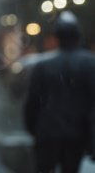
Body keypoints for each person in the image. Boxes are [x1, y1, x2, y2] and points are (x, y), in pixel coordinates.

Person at [23, 11, 95, 173]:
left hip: (47, 133)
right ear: (77, 36)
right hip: (76, 135)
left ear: (58, 37)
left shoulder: (43, 66)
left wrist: (34, 129)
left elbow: (31, 102)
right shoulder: (89, 64)